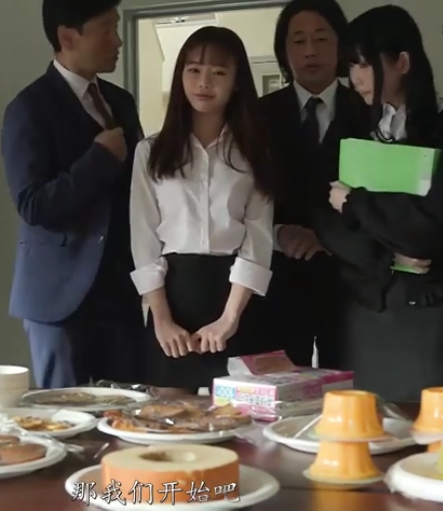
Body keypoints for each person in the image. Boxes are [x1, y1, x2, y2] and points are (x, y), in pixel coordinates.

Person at [321, 4, 443, 402]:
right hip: (365, 305)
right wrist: (387, 255)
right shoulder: (348, 125)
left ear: (403, 62)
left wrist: (355, 204)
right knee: (367, 425)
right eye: (351, 65)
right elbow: (324, 216)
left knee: (442, 423)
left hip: (432, 305)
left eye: (364, 64)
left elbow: (434, 221)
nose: (355, 78)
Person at [1, 0, 144, 389]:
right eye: (106, 30)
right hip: (58, 298)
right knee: (65, 415)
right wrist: (99, 158)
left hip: (121, 292)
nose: (117, 40)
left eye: (116, 27)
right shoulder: (28, 108)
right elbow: (33, 204)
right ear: (67, 37)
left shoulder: (121, 102)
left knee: (129, 411)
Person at [130, 26, 274, 394]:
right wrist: (161, 319)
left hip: (235, 300)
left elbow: (258, 240)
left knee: (240, 419)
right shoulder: (151, 152)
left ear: (237, 82)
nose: (204, 82)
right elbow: (144, 240)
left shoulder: (255, 152)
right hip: (173, 298)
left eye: (219, 72)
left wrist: (229, 318)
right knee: (167, 415)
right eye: (193, 70)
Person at [257, 0, 387, 368]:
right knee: (281, 388)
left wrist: (329, 238)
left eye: (321, 38)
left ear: (341, 45)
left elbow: (385, 197)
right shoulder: (257, 115)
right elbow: (239, 195)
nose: (310, 50)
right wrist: (277, 231)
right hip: (279, 282)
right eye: (298, 41)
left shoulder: (370, 110)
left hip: (351, 282)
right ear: (284, 51)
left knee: (352, 388)